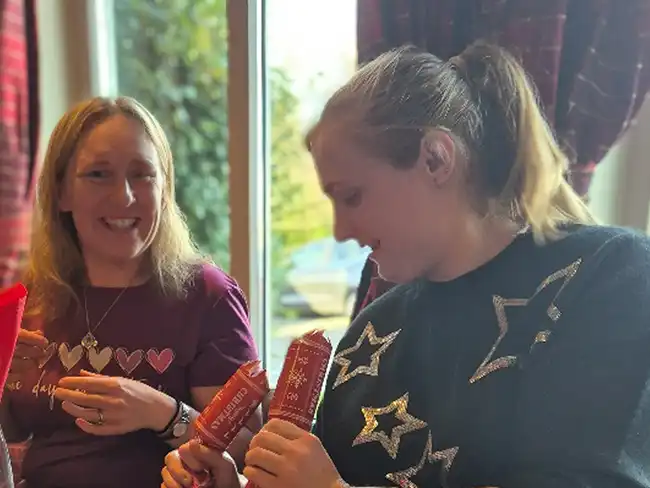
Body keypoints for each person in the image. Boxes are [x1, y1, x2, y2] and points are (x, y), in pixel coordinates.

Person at [163, 41, 650, 488]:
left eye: (352, 196)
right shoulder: (372, 330)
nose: (340, 231)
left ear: (437, 159)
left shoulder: (607, 275)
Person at [0, 96, 261, 488]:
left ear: (164, 188)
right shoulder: (27, 292)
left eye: (142, 174)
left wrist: (164, 414)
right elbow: (12, 430)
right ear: (61, 193)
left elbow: (249, 448)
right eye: (99, 174)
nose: (124, 197)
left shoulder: (207, 295)